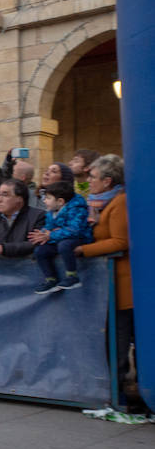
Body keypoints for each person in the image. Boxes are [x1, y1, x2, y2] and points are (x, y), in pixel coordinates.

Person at [74, 155, 136, 402]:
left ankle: (119, 392)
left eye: (93, 177)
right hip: (107, 284)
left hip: (122, 283)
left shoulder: (119, 202)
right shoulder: (99, 204)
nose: (89, 181)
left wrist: (83, 250)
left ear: (108, 181)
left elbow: (121, 241)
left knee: (119, 339)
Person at [29, 181, 93, 294]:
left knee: (65, 245)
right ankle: (51, 279)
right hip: (60, 238)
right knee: (41, 251)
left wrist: (50, 235)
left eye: (48, 198)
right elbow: (49, 226)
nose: (44, 201)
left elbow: (74, 230)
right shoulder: (51, 212)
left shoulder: (77, 209)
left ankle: (72, 276)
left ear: (60, 201)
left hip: (80, 238)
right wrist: (42, 235)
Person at [0, 179, 46, 259]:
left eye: (5, 195)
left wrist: (3, 248)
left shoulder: (38, 216)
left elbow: (35, 243)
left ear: (20, 199)